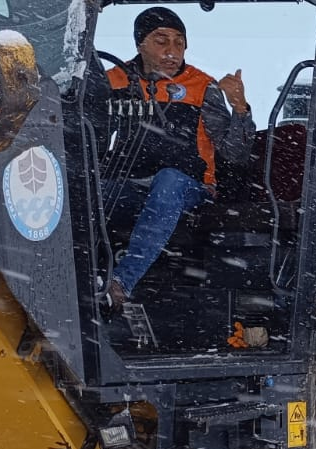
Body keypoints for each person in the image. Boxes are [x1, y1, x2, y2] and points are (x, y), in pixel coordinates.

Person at [101, 7, 255, 308]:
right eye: (161, 41)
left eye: (179, 43)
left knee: (168, 180)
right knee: (81, 189)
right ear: (139, 43)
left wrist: (240, 109)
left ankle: (120, 283)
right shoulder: (113, 81)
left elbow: (235, 152)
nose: (172, 51)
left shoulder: (201, 87)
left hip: (190, 189)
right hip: (128, 186)